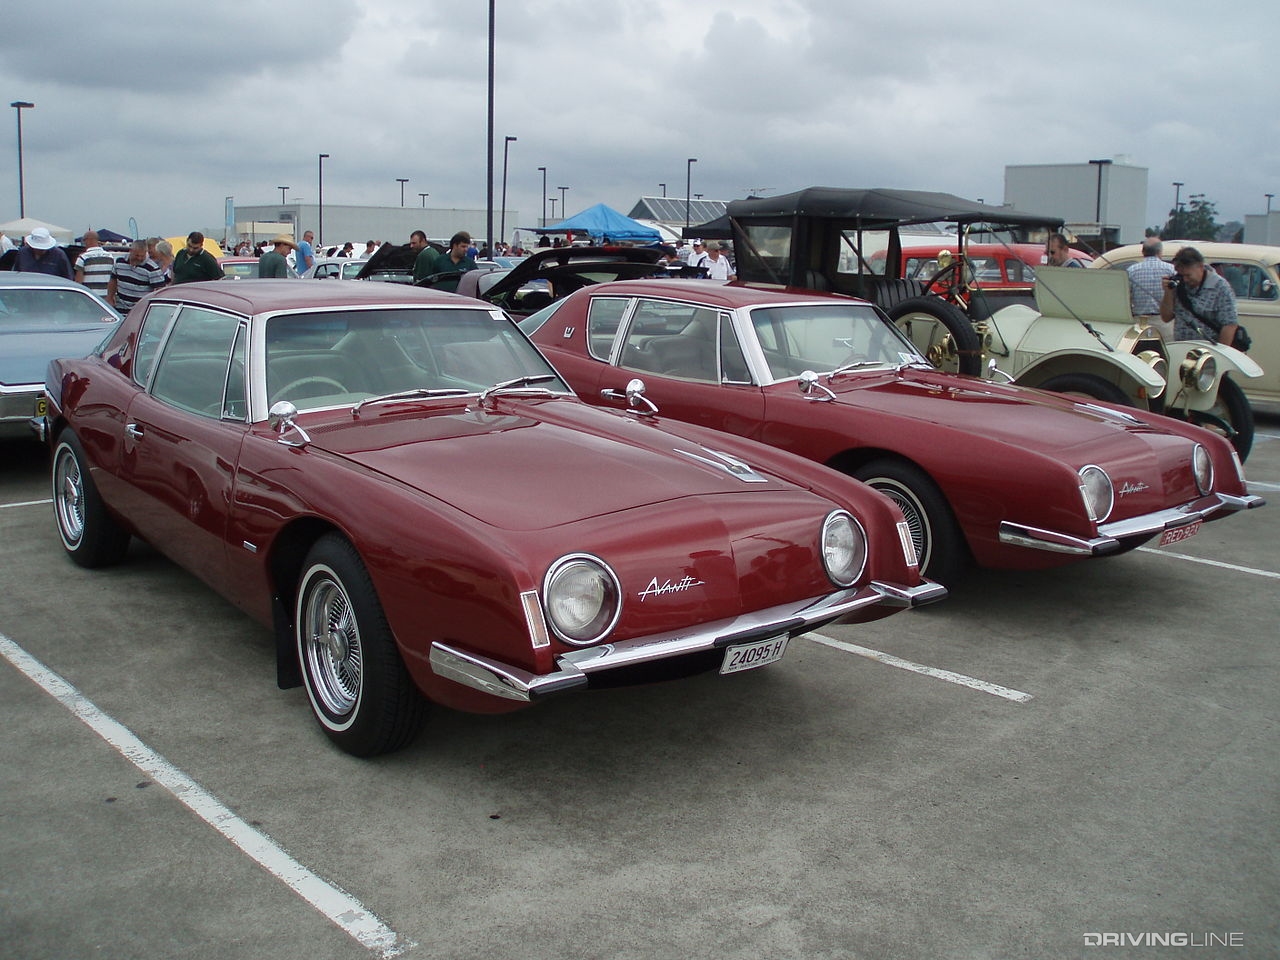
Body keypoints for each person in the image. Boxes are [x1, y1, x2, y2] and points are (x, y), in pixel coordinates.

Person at [1160, 246, 1239, 345]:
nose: (1185, 280)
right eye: (1182, 275)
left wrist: (1221, 353)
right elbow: (1166, 317)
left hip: (1209, 348)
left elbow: (1230, 324)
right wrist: (1168, 292)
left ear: (1201, 267)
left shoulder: (1220, 287)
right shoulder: (1178, 284)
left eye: (1188, 275)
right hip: (1182, 346)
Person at [1126, 237, 1176, 338]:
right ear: (1159, 251)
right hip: (1163, 321)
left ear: (1143, 252)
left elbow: (1126, 298)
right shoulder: (1171, 270)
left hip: (1139, 322)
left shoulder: (1131, 271)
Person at [107, 240, 166, 311]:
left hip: (140, 310)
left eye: (142, 256)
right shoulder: (120, 262)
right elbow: (113, 280)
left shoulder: (152, 268)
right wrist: (110, 297)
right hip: (120, 308)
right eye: (137, 255)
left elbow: (160, 290)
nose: (139, 258)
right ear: (131, 251)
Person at [74, 230, 116, 297]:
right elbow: (113, 279)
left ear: (88, 240)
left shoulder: (83, 257)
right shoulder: (110, 257)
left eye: (84, 240)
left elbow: (78, 281)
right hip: (106, 297)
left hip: (90, 297)